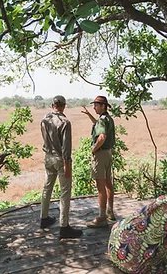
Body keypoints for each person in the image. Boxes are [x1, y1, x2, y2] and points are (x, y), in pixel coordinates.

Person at [40, 95, 82, 239]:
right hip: (60, 159)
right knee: (65, 192)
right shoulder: (65, 122)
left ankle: (44, 218)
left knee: (47, 187)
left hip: (48, 157)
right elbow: (66, 146)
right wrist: (67, 164)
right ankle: (64, 227)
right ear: (64, 106)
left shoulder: (44, 120)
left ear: (53, 105)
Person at [81, 95, 116, 227]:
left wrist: (93, 149)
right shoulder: (107, 118)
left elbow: (101, 136)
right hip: (108, 154)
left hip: (100, 155)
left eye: (96, 105)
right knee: (108, 183)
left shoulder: (102, 120)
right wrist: (89, 114)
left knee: (100, 187)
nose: (94, 107)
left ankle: (101, 218)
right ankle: (110, 212)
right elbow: (97, 124)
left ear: (103, 106)